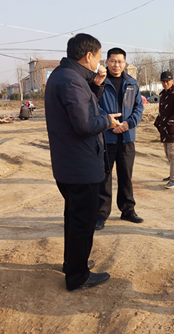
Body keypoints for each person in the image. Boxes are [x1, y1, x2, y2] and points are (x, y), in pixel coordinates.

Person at [45, 33, 122, 292]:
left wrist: (96, 87)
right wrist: (108, 121)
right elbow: (85, 123)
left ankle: (73, 263)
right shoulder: (72, 81)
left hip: (70, 163)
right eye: (99, 57)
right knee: (83, 222)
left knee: (74, 218)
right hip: (80, 165)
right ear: (89, 56)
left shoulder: (64, 76)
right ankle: (78, 276)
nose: (99, 63)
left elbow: (83, 108)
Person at [95, 47, 144, 230]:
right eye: (113, 61)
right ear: (107, 62)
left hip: (127, 137)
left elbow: (138, 108)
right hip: (106, 138)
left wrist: (128, 124)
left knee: (126, 176)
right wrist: (109, 121)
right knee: (104, 177)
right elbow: (94, 105)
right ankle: (101, 213)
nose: (117, 65)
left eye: (120, 61)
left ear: (125, 63)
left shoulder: (132, 83)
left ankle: (127, 210)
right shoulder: (100, 82)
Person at [154, 71, 174, 189]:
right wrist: (158, 122)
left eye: (167, 81)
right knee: (168, 154)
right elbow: (162, 111)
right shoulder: (163, 95)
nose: (165, 84)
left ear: (172, 81)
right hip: (164, 130)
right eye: (163, 82)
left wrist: (171, 121)